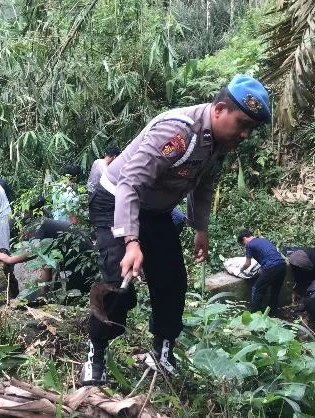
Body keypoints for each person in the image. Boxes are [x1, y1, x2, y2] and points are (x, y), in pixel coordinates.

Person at [80, 74, 271, 385]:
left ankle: (162, 353)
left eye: (252, 128)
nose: (246, 134)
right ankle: (95, 355)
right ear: (220, 109)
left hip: (156, 210)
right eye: (243, 124)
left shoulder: (219, 141)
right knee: (119, 284)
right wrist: (131, 241)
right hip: (116, 199)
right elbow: (129, 183)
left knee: (172, 283)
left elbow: (203, 183)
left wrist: (200, 228)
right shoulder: (178, 132)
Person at [0, 218, 95, 297]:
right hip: (83, 256)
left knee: (74, 294)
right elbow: (46, 264)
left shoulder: (37, 226)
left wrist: (10, 259)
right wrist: (43, 296)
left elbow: (35, 249)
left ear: (21, 230)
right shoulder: (45, 228)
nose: (23, 238)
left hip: (81, 259)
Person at [238, 230, 287, 314]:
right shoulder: (264, 240)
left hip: (271, 267)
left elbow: (248, 263)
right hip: (282, 265)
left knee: (256, 289)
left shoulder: (249, 245)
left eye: (243, 243)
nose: (244, 245)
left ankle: (254, 314)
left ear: (244, 238)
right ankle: (273, 314)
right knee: (275, 291)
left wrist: (241, 269)